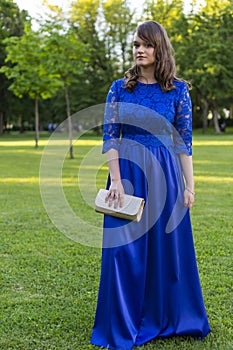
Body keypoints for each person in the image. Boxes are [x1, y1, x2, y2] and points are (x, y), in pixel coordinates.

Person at [91, 20, 210, 349]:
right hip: (127, 174)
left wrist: (190, 186)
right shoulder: (119, 88)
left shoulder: (178, 91)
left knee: (165, 250)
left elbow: (183, 143)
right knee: (122, 252)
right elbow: (110, 137)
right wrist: (115, 180)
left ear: (160, 49)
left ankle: (165, 314)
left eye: (146, 45)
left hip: (166, 178)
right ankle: (125, 319)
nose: (139, 50)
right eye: (135, 45)